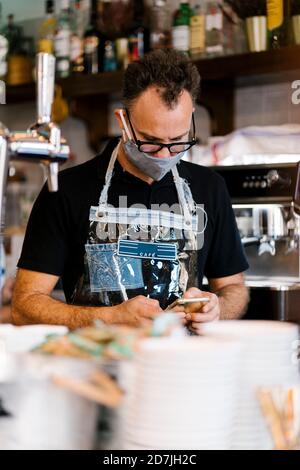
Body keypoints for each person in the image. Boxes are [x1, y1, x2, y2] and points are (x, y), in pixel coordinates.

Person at [12, 49, 249, 333]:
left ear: (191, 119)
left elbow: (234, 288)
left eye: (177, 140)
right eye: (150, 141)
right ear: (123, 121)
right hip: (95, 366)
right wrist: (110, 318)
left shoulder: (210, 188)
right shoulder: (65, 189)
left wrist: (217, 309)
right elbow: (24, 307)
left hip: (182, 366)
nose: (163, 155)